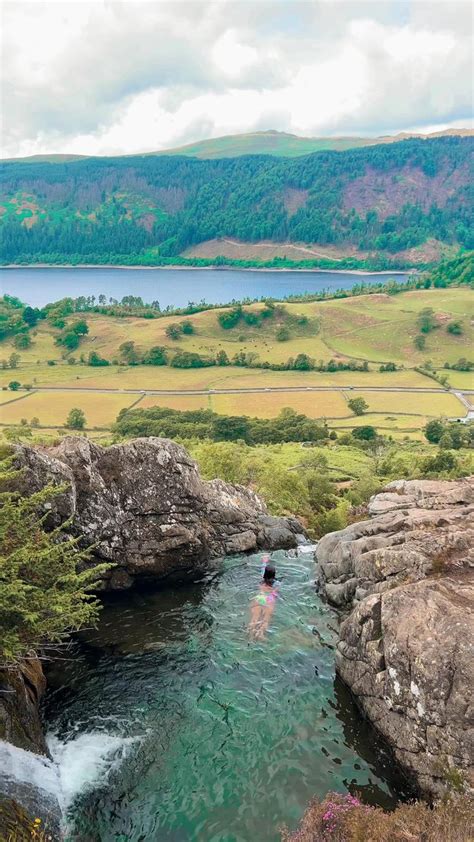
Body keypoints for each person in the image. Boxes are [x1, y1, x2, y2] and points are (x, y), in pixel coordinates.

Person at [248, 556, 279, 640]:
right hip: (269, 598)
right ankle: (261, 634)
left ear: (265, 573)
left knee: (255, 617)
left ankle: (250, 634)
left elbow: (263, 567)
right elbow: (276, 593)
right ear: (274, 574)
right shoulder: (277, 583)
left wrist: (265, 560)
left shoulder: (262, 578)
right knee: (266, 619)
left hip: (260, 596)